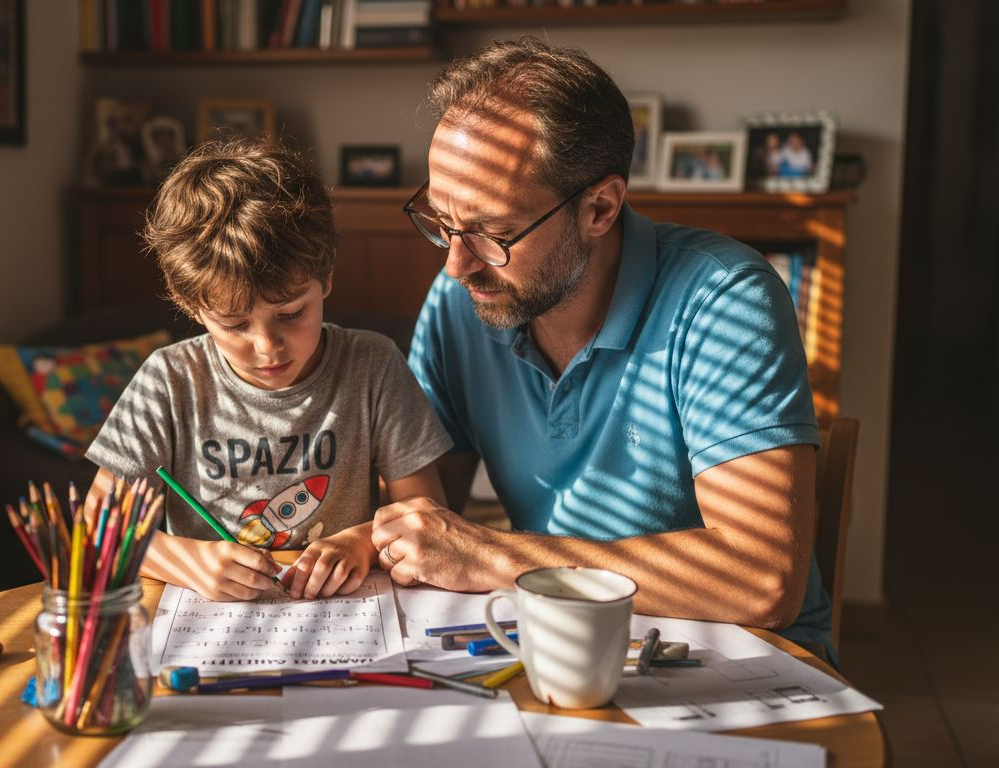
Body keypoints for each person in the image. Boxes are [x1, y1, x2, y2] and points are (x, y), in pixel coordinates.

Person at [379, 39, 832, 658]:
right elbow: (424, 515)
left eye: (496, 232)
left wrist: (492, 554)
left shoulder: (725, 298)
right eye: (440, 222)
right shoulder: (464, 302)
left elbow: (760, 579)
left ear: (600, 207)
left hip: (737, 658)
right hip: (563, 639)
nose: (458, 263)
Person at [84, 138, 452, 603]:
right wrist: (186, 560)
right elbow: (99, 527)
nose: (267, 347)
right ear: (192, 307)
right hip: (210, 618)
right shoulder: (169, 380)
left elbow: (427, 513)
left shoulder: (373, 365)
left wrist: (361, 542)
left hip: (342, 610)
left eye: (292, 312)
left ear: (327, 278)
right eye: (235, 325)